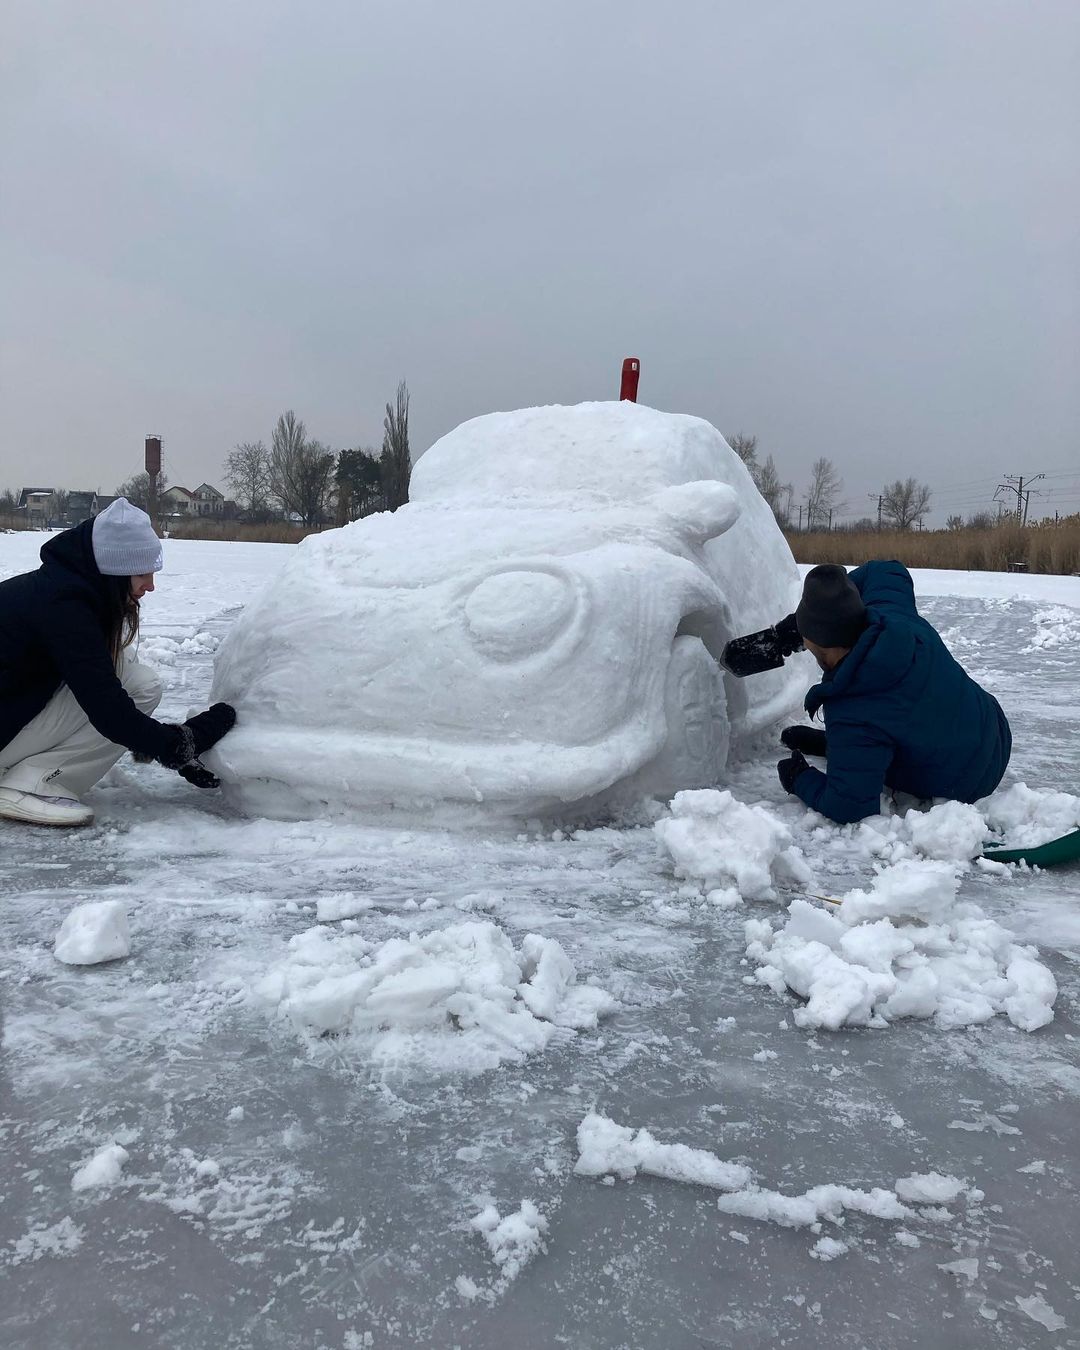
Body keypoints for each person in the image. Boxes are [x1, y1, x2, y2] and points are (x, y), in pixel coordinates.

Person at [0, 498, 236, 828]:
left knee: (134, 678)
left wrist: (156, 743)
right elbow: (108, 711)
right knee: (136, 689)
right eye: (141, 573)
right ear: (115, 571)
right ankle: (30, 784)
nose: (150, 585)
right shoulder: (63, 607)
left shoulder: (62, 589)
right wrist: (177, 746)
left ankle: (21, 772)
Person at [724, 561, 1012, 824]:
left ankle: (846, 754)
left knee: (870, 736)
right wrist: (822, 609)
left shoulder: (854, 708)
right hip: (992, 726)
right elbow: (886, 570)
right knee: (897, 720)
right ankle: (839, 750)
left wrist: (799, 778)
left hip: (965, 781)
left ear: (819, 644)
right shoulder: (892, 613)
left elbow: (848, 806)